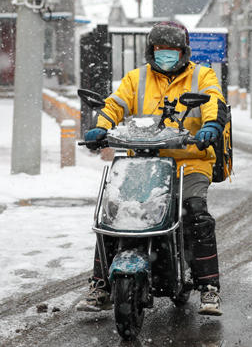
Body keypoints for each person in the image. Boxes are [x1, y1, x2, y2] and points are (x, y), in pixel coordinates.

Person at [76, 21, 227, 316]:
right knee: (114, 212)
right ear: (150, 51)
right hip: (142, 161)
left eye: (171, 51)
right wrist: (100, 128)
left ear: (183, 52)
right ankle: (100, 285)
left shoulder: (202, 75)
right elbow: (114, 105)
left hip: (189, 160)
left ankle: (209, 288)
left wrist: (211, 126)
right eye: (159, 50)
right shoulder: (136, 78)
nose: (165, 55)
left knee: (195, 212)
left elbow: (214, 103)